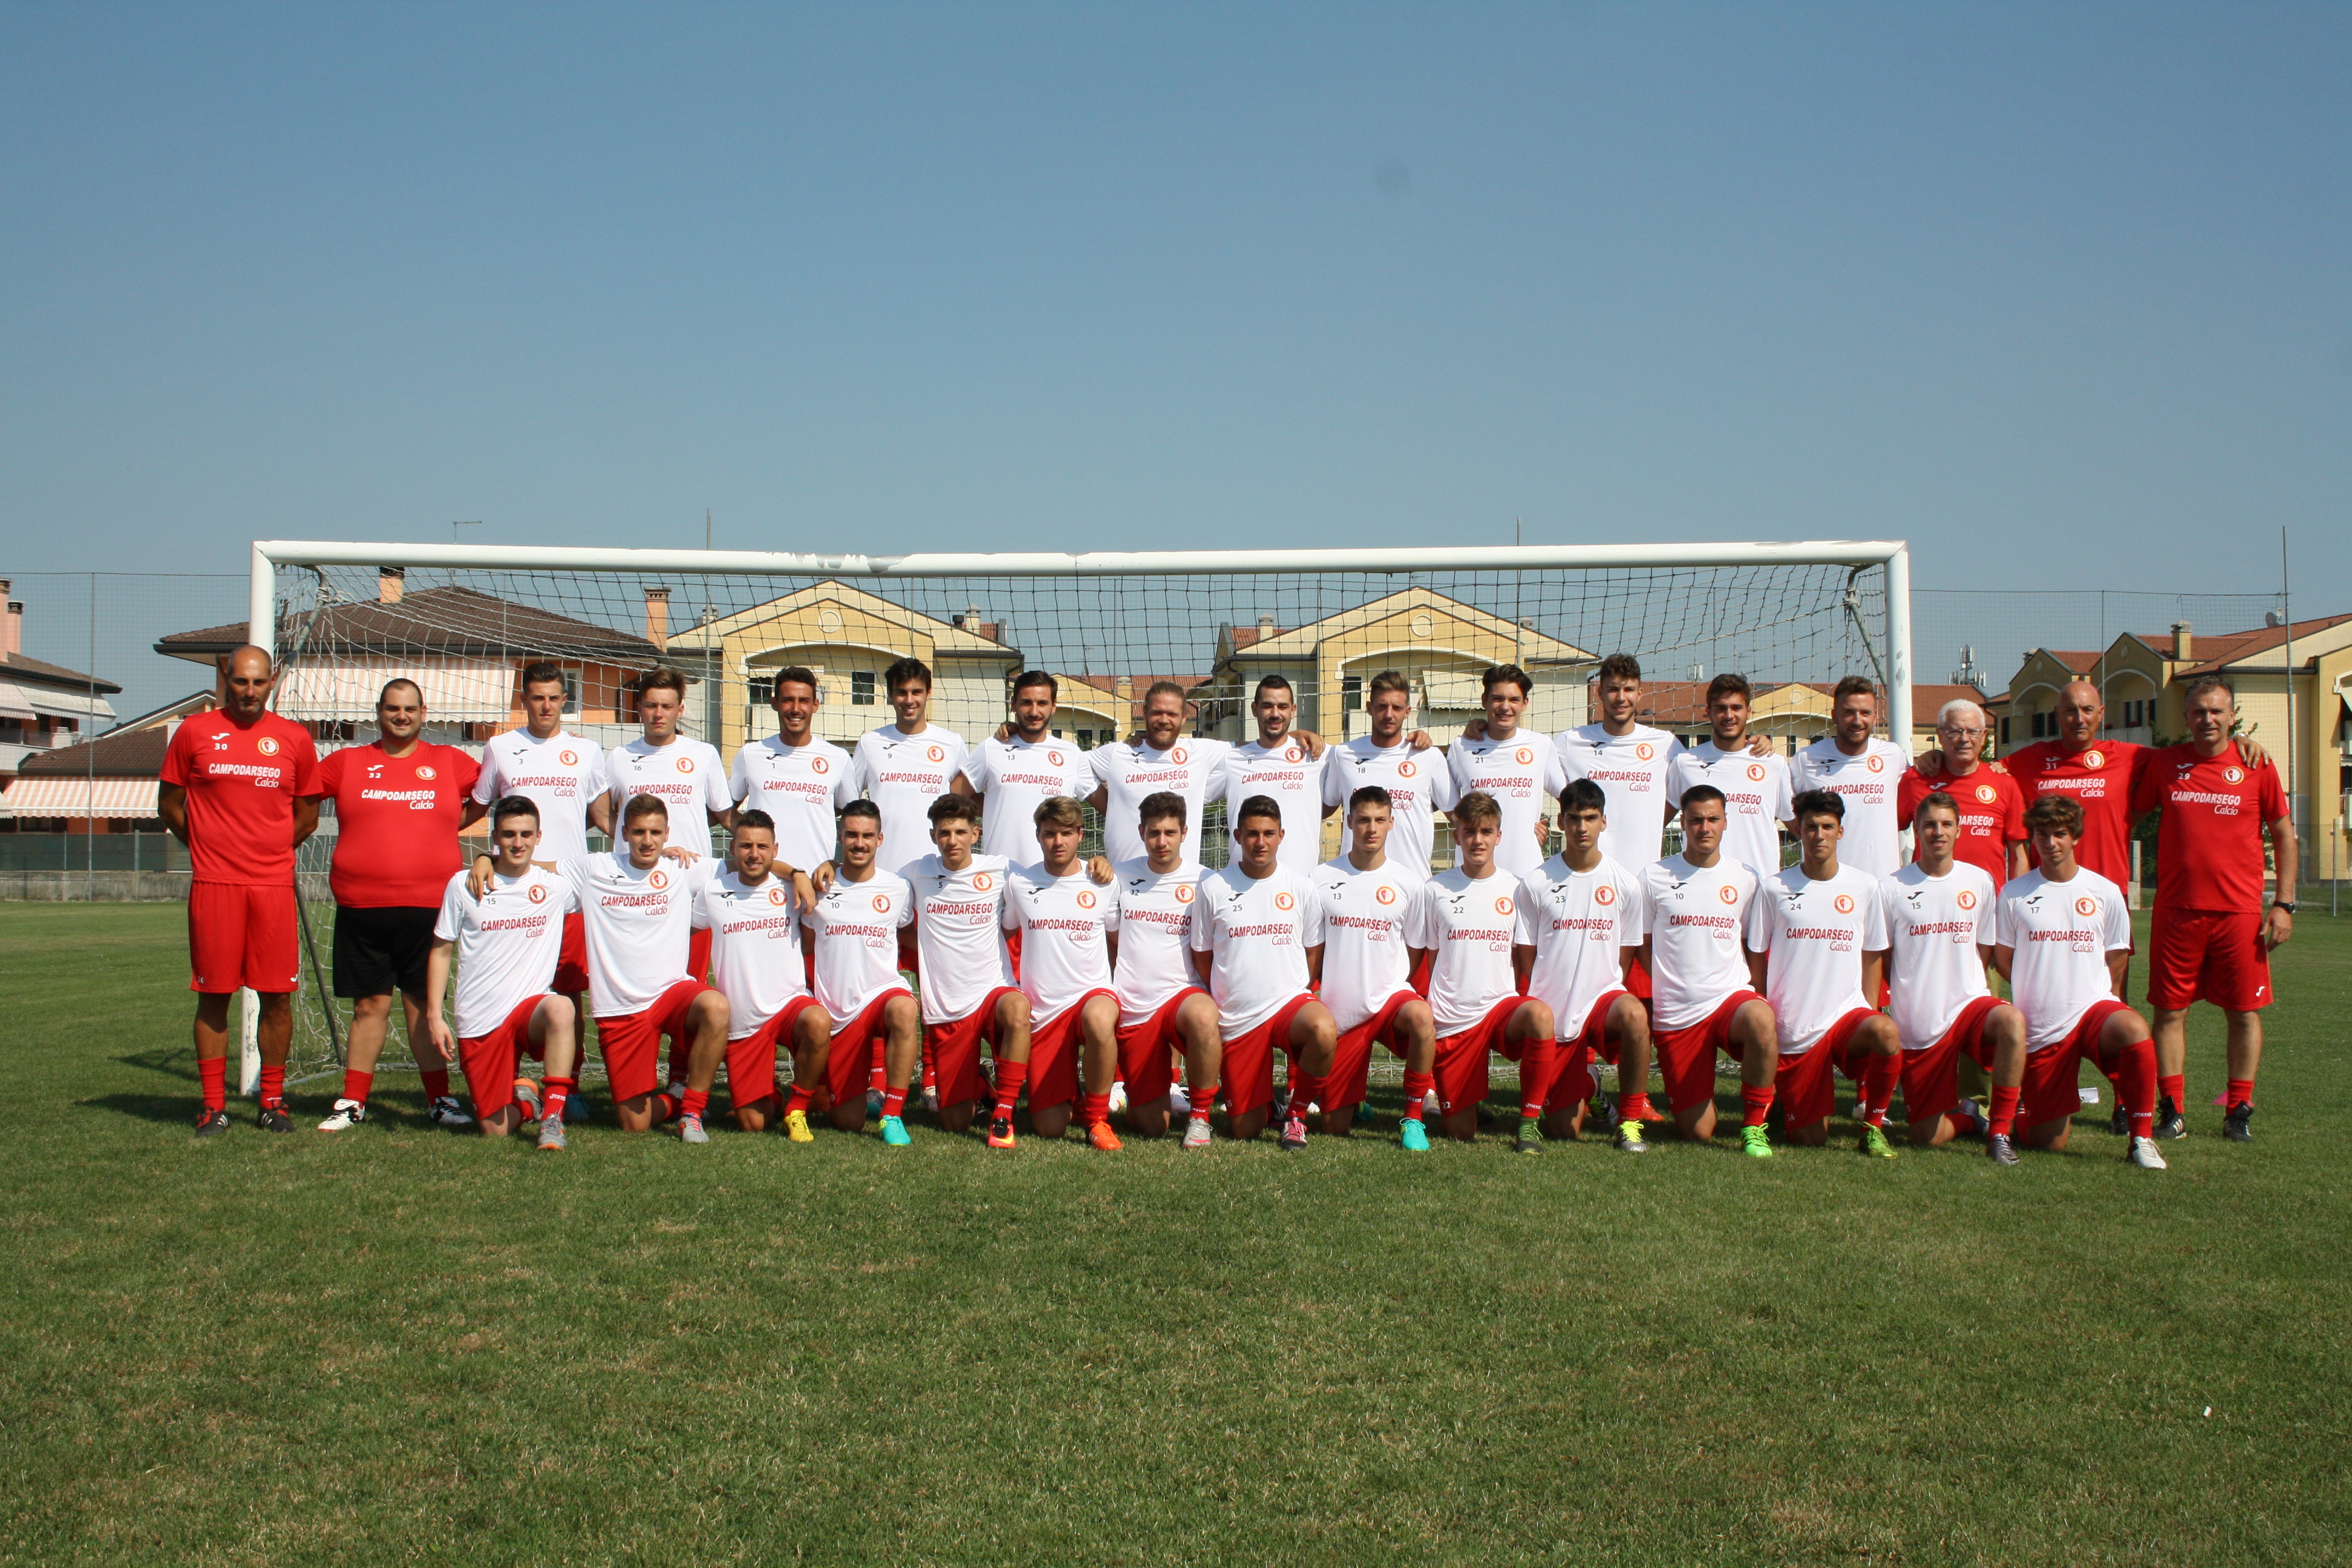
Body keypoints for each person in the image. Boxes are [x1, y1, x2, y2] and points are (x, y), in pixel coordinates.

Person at [158, 645, 322, 1135]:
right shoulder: (194, 732)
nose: (249, 691)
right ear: (225, 678)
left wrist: (267, 851)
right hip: (215, 886)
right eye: (240, 681)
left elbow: (308, 817)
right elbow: (170, 805)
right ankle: (213, 1106)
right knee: (214, 996)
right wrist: (207, 848)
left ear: (272, 681)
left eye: (258, 682)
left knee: (277, 998)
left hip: (271, 886)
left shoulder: (294, 738)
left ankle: (272, 1102)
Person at [310, 678, 483, 1131]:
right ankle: (352, 1101)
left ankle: (440, 1100)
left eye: (409, 709)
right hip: (362, 907)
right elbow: (299, 795)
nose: (401, 716)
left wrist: (464, 828)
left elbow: (492, 793)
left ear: (423, 713)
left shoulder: (449, 761)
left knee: (424, 1007)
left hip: (430, 909)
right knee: (369, 1006)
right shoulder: (347, 762)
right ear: (379, 712)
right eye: (392, 708)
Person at [2129, 675, 2296, 1142]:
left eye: (2217, 711)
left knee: (2243, 1012)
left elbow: (2284, 835)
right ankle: (2172, 1111)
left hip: (2239, 914)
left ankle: (2238, 1111)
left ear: (2232, 716)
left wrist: (2284, 904)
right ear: (2186, 717)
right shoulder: (2166, 763)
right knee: (2169, 1012)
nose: (2208, 719)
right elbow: (2126, 817)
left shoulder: (2257, 764)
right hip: (2177, 911)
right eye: (2199, 711)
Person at [1992, 795, 2166, 1169]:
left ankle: (2142, 1140)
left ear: (2075, 837)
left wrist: (2101, 996)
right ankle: (2023, 1106)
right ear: (2033, 838)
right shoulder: (2014, 893)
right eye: (2042, 834)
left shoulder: (2104, 891)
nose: (2050, 843)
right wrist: (2038, 983)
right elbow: (2003, 960)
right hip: (2042, 1026)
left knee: (2134, 1028)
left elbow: (2116, 958)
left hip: (2092, 1011)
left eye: (2059, 834)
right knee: (2047, 1142)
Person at [546, 795, 729, 1140]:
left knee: (716, 1007)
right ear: (624, 833)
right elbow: (538, 867)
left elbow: (748, 863)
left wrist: (796, 874)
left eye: (655, 833)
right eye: (639, 832)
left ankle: (692, 1111)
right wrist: (485, 859)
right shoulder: (595, 868)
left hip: (670, 993)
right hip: (621, 1008)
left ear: (667, 834)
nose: (648, 841)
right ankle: (676, 1099)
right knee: (635, 1123)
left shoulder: (682, 868)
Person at [1745, 791, 1902, 1155]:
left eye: (1827, 827)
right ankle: (1784, 1103)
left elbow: (1872, 954)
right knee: (1810, 1138)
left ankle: (1874, 1127)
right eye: (1811, 827)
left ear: (1840, 832)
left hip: (1846, 1016)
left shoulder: (1865, 886)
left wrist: (1868, 1008)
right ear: (1799, 832)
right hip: (1796, 1028)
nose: (1819, 835)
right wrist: (1765, 1009)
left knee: (1886, 1033)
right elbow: (1757, 955)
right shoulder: (1774, 888)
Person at [421, 797, 580, 1151]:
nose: (518, 843)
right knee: (495, 1129)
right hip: (481, 1016)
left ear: (539, 837)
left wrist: (668, 856)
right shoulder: (462, 885)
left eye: (526, 834)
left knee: (562, 1007)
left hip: (531, 1011)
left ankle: (553, 1119)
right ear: (495, 837)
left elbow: (617, 878)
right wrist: (434, 1015)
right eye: (509, 834)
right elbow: (441, 949)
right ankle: (529, 1100)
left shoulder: (556, 887)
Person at [1880, 791, 2028, 1161]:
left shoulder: (1979, 881)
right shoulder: (1891, 887)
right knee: (1925, 1136)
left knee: (2011, 1021)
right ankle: (1969, 1121)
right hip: (1921, 1021)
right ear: (1916, 831)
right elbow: (1885, 957)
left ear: (1959, 831)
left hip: (1969, 1005)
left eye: (1947, 824)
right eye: (1929, 825)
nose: (1938, 832)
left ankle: (2000, 1131)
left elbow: (1984, 949)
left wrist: (1967, 984)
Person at [1187, 795, 1338, 1148]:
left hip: (1288, 1004)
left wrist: (1299, 987)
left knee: (1323, 1029)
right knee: (1245, 1128)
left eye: (1269, 833)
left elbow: (1312, 950)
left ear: (1281, 836)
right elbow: (1202, 955)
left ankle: (1296, 1115)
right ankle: (1265, 1104)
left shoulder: (1301, 886)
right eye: (1253, 834)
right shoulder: (1213, 888)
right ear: (1238, 836)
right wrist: (1228, 991)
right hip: (1239, 1016)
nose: (1261, 842)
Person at [1411, 792, 1557, 1150]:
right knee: (1460, 1132)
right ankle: (1468, 1099)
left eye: (1486, 832)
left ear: (1499, 836)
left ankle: (1528, 1124)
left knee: (1540, 1015)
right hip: (1455, 1018)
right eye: (1470, 832)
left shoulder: (1517, 888)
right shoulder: (1434, 890)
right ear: (1457, 835)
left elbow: (1523, 956)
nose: (1478, 840)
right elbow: (1430, 958)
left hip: (1500, 1008)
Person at [1639, 786, 1779, 1157]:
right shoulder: (1654, 876)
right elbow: (1641, 943)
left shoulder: (1745, 877)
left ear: (1726, 822)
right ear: (1683, 823)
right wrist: (1669, 983)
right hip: (1679, 1013)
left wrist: (1756, 990)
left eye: (1713, 819)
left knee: (1761, 1018)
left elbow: (1752, 944)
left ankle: (1754, 1126)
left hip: (1729, 999)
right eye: (1696, 820)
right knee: (1697, 1132)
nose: (1705, 828)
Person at [1516, 780, 1652, 1153]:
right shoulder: (1536, 882)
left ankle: (1630, 1123)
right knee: (1565, 1130)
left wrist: (1604, 984)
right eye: (1574, 818)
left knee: (1635, 1015)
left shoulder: (1625, 884)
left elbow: (1625, 954)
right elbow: (1527, 954)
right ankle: (1590, 1083)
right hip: (1556, 1012)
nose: (1582, 827)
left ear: (1604, 822)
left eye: (1591, 818)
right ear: (1561, 822)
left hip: (1603, 1001)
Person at [473, 660, 607, 1016]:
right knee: (508, 986)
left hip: (569, 889)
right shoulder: (499, 747)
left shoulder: (588, 751)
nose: (546, 707)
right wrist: (484, 855)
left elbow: (605, 818)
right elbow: (476, 809)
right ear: (524, 701)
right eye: (537, 698)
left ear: (565, 699)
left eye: (553, 698)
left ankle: (569, 1058)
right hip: (513, 887)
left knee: (568, 993)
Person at [1310, 787, 1437, 1149]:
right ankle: (1355, 1101)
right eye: (1364, 820)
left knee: (1422, 1018)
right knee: (1334, 1126)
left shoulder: (1409, 883)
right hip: (1343, 1012)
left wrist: (1393, 981)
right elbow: (1315, 948)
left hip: (1390, 1001)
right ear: (1349, 822)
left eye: (1380, 820)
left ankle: (1413, 1118)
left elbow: (1415, 949)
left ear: (1391, 823)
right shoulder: (1319, 878)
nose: (1372, 829)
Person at [907, 792, 1034, 1148]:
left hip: (993, 992)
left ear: (975, 834)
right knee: (955, 1122)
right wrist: (829, 866)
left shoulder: (1001, 868)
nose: (953, 841)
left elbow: (1050, 876)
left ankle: (1003, 1114)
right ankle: (980, 1085)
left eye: (961, 832)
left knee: (1018, 1009)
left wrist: (1093, 866)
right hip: (947, 1007)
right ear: (933, 836)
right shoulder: (917, 872)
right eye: (944, 833)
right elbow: (871, 883)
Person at [696, 811, 829, 1140]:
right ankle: (773, 1095)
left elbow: (812, 940)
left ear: (775, 850)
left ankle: (797, 1108)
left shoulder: (791, 889)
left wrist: (799, 873)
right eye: (746, 846)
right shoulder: (711, 893)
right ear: (732, 849)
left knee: (818, 1020)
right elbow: (683, 929)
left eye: (762, 846)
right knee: (752, 1123)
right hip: (744, 1022)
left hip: (789, 1006)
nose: (754, 854)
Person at [605, 665, 734, 996]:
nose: (658, 714)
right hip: (636, 892)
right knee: (638, 988)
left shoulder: (703, 754)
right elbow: (602, 814)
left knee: (693, 992)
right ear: (639, 707)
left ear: (680, 708)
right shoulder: (619, 757)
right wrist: (636, 848)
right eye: (651, 705)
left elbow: (725, 815)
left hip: (693, 890)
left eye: (666, 706)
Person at [1003, 797, 1123, 1148]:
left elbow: (1118, 939)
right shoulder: (1019, 883)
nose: (1058, 842)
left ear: (1081, 835)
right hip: (1044, 1011)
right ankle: (1073, 1095)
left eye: (1067, 833)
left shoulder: (1102, 881)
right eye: (1050, 833)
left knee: (1100, 1019)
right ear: (1038, 836)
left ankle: (1098, 1119)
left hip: (1091, 996)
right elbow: (1006, 932)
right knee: (1049, 1127)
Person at [800, 800, 920, 1138]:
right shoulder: (819, 889)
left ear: (880, 839)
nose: (859, 843)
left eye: (867, 836)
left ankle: (892, 1114)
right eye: (851, 835)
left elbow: (907, 932)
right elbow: (807, 947)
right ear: (840, 837)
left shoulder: (899, 888)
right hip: (838, 1012)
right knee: (847, 1121)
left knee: (905, 1009)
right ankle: (839, 1095)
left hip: (881, 994)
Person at [1109, 792, 1221, 1144]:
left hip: (1182, 996)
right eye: (1154, 833)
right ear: (1141, 832)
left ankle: (1200, 1117)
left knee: (1204, 1016)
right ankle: (1147, 1091)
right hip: (1135, 1006)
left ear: (1184, 833)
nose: (1162, 842)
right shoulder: (1118, 876)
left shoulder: (1206, 881)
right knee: (1151, 1125)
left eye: (1170, 833)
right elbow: (1109, 935)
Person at [1555, 653, 1688, 871]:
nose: (1621, 698)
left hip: (1641, 873)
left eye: (1628, 689)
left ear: (1640, 693)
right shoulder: (1571, 742)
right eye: (1613, 689)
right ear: (1600, 693)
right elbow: (1531, 766)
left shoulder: (1665, 744)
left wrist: (1653, 823)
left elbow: (1696, 778)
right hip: (1586, 874)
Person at [728, 665, 856, 887]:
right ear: (775, 703)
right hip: (762, 884)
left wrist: (835, 863)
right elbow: (723, 811)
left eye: (803, 701)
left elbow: (854, 820)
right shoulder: (751, 754)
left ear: (815, 705)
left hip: (816, 884)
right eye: (788, 700)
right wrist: (751, 838)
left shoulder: (838, 758)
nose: (796, 709)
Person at [953, 670, 1100, 860]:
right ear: (1014, 704)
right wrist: (994, 807)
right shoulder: (992, 748)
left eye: (1042, 703)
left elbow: (1111, 807)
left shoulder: (1071, 754)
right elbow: (953, 796)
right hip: (1000, 872)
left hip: (1052, 873)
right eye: (1026, 703)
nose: (1034, 712)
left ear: (1054, 706)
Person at [1322, 668, 1456, 874]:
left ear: (1407, 711)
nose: (1389, 715)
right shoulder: (1344, 754)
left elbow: (1457, 817)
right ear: (1369, 708)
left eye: (1397, 708)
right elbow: (1322, 809)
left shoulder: (1428, 756)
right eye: (1382, 706)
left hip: (1412, 880)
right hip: (1355, 878)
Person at [1089, 679, 1234, 867]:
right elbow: (1073, 766)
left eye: (1172, 714)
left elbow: (1255, 749)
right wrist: (1111, 806)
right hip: (1124, 878)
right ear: (1145, 713)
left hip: (1182, 881)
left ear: (1184, 718)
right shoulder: (1118, 753)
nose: (1164, 720)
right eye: (1157, 713)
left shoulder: (1200, 752)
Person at [1662, 673, 1794, 877]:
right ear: (1708, 712)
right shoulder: (1685, 764)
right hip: (1700, 882)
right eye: (1721, 708)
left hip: (1758, 884)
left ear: (1749, 711)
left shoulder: (1773, 764)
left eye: (1736, 708)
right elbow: (1656, 822)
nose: (1729, 715)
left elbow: (1797, 826)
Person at [852, 657, 970, 878]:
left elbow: (965, 800)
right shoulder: (870, 743)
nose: (909, 700)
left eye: (916, 692)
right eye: (901, 693)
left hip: (937, 872)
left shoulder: (952, 743)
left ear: (928, 693)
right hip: (884, 871)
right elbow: (849, 805)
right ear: (890, 695)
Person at [1446, 665, 1567, 877]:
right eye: (1497, 699)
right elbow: (1447, 805)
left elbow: (1569, 800)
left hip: (1525, 872)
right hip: (1473, 873)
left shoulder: (1540, 745)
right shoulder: (1461, 747)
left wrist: (1546, 827)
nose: (1505, 707)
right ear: (1484, 700)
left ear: (1525, 704)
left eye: (1514, 700)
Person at [1895, 697, 2025, 887]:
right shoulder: (1915, 780)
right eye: (1955, 731)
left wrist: (2017, 900)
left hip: (1986, 900)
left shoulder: (2004, 783)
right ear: (1940, 735)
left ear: (1984, 736)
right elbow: (1887, 833)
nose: (1964, 739)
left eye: (1973, 731)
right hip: (1926, 895)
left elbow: (2018, 854)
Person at [1789, 677, 1910, 880]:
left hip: (1882, 882)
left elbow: (1920, 784)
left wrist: (1935, 756)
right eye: (1849, 713)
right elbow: (1783, 807)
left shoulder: (1892, 756)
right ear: (1834, 716)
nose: (1857, 721)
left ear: (1876, 717)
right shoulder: (1806, 759)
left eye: (1865, 713)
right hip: (1827, 882)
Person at [1209, 675, 1330, 871]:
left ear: (1293, 710)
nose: (1275, 714)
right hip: (1242, 882)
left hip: (1301, 882)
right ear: (1254, 709)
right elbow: (1192, 793)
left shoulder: (1319, 755)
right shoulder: (1232, 759)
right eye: (1267, 706)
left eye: (1282, 707)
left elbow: (1333, 801)